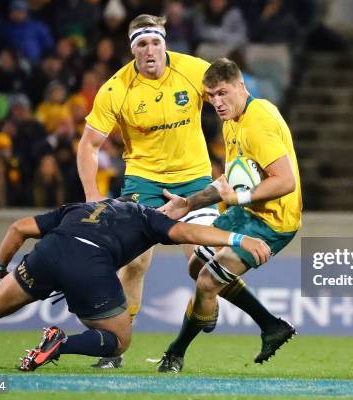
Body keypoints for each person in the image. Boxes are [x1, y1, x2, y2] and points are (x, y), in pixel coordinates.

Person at [0, 197, 270, 371]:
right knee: (118, 339)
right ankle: (60, 344)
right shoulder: (147, 216)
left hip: (50, 252)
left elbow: (18, 228)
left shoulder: (83, 206)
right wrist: (236, 238)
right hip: (90, 264)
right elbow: (188, 233)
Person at [77, 13, 221, 369]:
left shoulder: (194, 70)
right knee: (135, 261)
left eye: (156, 41)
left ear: (165, 43)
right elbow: (88, 146)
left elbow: (231, 100)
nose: (150, 49)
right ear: (133, 50)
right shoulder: (116, 88)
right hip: (144, 179)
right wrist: (93, 195)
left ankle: (207, 304)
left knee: (201, 259)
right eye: (142, 43)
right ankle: (115, 348)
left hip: (194, 178)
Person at [156, 58, 302, 373]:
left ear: (241, 86)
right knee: (196, 265)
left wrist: (239, 197)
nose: (217, 103)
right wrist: (188, 204)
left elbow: (285, 181)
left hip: (272, 221)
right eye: (211, 96)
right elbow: (229, 182)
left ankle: (175, 353)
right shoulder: (233, 119)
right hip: (246, 210)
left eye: (223, 93)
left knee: (208, 282)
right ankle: (271, 326)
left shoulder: (257, 123)